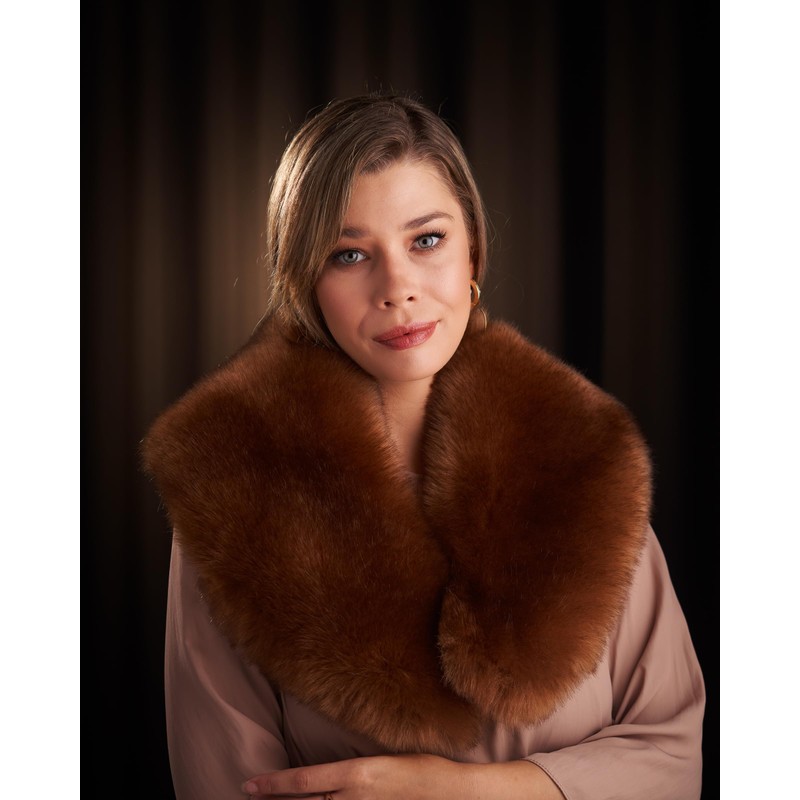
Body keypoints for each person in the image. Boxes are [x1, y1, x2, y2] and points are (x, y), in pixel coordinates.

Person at [142, 92, 705, 800]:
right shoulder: (233, 492)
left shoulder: (583, 458)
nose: (398, 288)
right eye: (349, 254)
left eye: (427, 240)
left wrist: (470, 792)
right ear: (306, 282)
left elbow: (671, 753)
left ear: (473, 248)